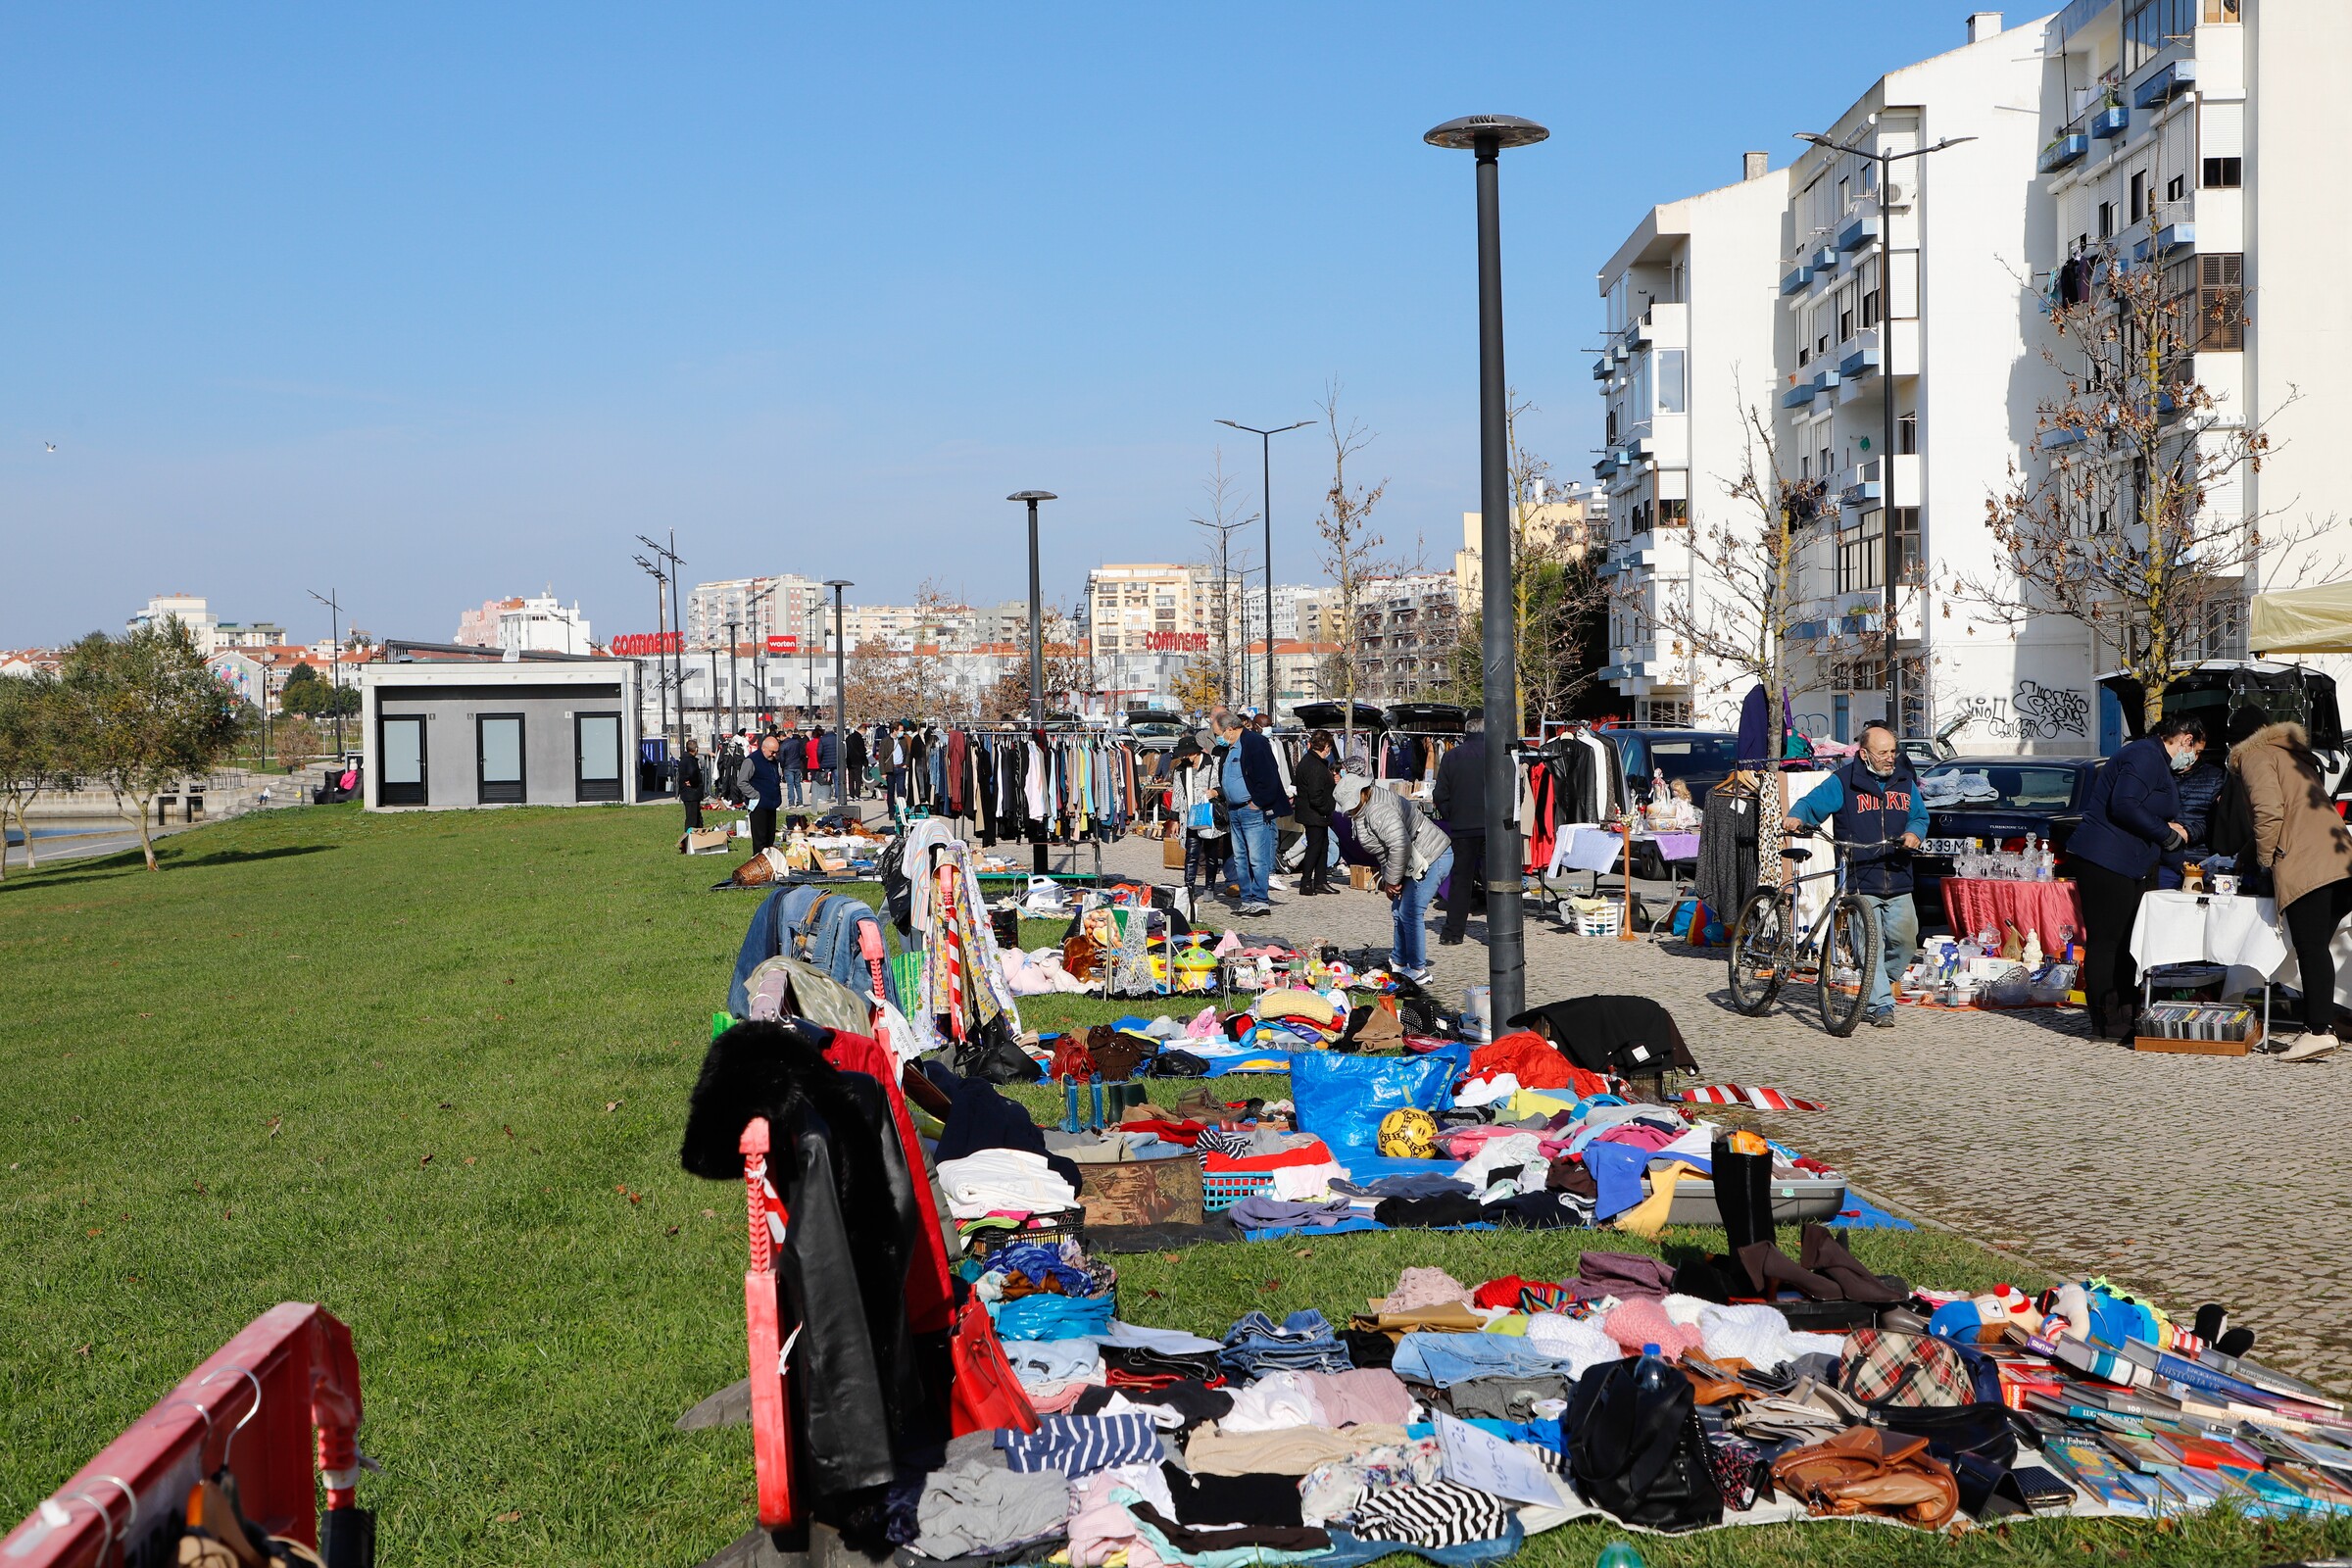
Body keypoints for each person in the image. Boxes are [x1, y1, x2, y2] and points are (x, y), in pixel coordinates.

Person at [1783, 720, 1925, 1029]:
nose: (1891, 757)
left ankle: (1879, 982)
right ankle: (1880, 1004)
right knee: (1866, 944)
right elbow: (1812, 803)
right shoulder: (1843, 781)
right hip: (1860, 877)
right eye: (1883, 752)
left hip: (1898, 873)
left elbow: (1919, 816)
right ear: (1864, 754)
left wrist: (1915, 832)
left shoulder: (1904, 779)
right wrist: (1797, 815)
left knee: (1906, 940)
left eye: (1893, 751)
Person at [2068, 714, 2201, 1039]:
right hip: (2106, 859)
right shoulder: (2145, 755)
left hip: (2130, 862)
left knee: (2128, 941)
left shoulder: (2155, 760)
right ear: (2185, 738)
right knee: (2107, 941)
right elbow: (2125, 804)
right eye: (2196, 749)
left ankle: (2125, 1015)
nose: (2194, 758)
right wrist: (2167, 835)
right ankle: (2106, 1019)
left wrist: (2181, 858)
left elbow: (2151, 815)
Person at [2230, 715, 2352, 1058]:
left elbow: (2269, 812)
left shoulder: (2255, 756)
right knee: (2317, 947)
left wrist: (2265, 860)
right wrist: (2247, 853)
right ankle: (2321, 1023)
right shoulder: (2291, 754)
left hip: (2308, 862)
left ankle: (2318, 1030)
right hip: (2338, 858)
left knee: (2311, 947)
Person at [1335, 769, 1453, 983]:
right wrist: (1390, 878)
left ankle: (1418, 969)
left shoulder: (1377, 810)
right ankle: (1399, 961)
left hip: (1431, 856)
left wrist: (1391, 881)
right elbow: (1385, 848)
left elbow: (1399, 846)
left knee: (1410, 912)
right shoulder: (1368, 807)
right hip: (1416, 859)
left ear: (1359, 796)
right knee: (1399, 910)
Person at [1216, 710, 1291, 915]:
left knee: (1257, 857)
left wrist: (1258, 802)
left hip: (1252, 810)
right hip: (1234, 810)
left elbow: (1269, 775)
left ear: (1230, 729)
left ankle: (1260, 900)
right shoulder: (1230, 748)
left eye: (1218, 733)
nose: (1218, 737)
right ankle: (1247, 899)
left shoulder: (1255, 743)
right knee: (1241, 858)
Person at [1431, 712, 1488, 944]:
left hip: (1463, 827)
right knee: (1495, 881)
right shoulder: (1496, 754)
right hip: (1492, 828)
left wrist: (1452, 816)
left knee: (1461, 881)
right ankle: (1500, 934)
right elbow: (1515, 792)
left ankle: (1453, 933)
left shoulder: (1452, 757)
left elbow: (1439, 794)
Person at [1170, 730, 1229, 905]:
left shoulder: (1215, 763)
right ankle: (1189, 887)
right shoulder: (1181, 769)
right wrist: (1173, 819)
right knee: (1191, 853)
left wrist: (1216, 792)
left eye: (1186, 755)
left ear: (1195, 753)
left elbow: (1226, 784)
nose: (1184, 758)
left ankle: (1209, 886)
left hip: (1209, 816)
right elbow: (1177, 794)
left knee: (1211, 853)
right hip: (1189, 816)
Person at [1292, 729, 1338, 895]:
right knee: (1315, 847)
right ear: (1325, 746)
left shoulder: (1311, 760)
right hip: (1315, 814)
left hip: (1314, 813)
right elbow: (1316, 796)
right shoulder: (1315, 765)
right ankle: (1307, 882)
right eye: (1329, 747)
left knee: (1322, 846)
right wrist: (1327, 809)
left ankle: (1320, 880)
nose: (1329, 750)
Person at [740, 732, 783, 854]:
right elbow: (742, 782)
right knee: (760, 841)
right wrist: (755, 795)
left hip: (772, 804)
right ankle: (758, 866)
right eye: (772, 752)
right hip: (758, 806)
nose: (774, 755)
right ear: (763, 748)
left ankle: (768, 865)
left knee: (770, 839)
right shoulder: (751, 761)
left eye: (776, 752)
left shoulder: (772, 760)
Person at [680, 737, 707, 831]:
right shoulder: (690, 760)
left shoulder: (684, 759)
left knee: (697, 818)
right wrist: (693, 782)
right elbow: (692, 773)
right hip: (692, 794)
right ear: (695, 749)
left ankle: (697, 838)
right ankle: (689, 840)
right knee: (692, 820)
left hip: (689, 794)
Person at [780, 722, 806, 808]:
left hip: (788, 766)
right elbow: (801, 753)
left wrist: (783, 766)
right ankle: (800, 801)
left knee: (790, 785)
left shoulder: (783, 745)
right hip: (797, 765)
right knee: (798, 784)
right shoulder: (796, 743)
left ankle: (791, 802)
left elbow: (782, 758)